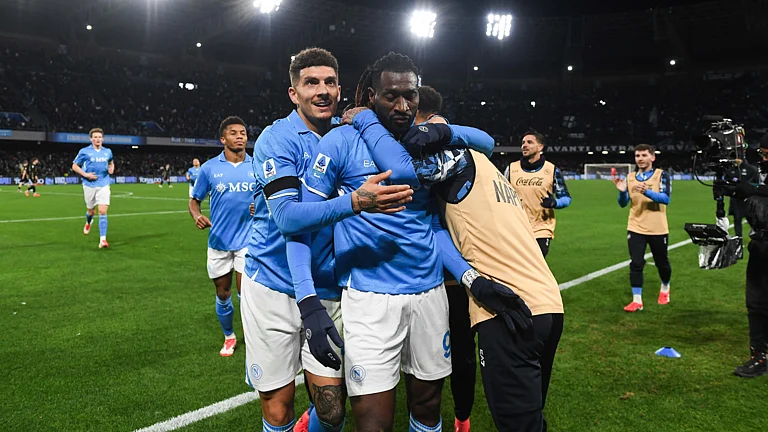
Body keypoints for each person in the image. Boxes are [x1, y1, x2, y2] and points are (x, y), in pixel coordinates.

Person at [292, 52, 493, 432]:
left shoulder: (425, 144)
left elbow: (431, 223)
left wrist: (469, 277)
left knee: (429, 406)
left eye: (410, 96)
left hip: (430, 294)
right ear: (371, 96)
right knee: (373, 422)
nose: (402, 106)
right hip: (369, 299)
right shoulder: (340, 141)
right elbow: (301, 226)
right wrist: (308, 300)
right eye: (391, 96)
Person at [346, 92, 564, 431]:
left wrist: (365, 119)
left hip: (507, 309)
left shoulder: (449, 162)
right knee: (532, 419)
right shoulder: (487, 163)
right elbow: (437, 227)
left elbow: (400, 169)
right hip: (548, 304)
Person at [242, 48, 413, 432]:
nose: (322, 91)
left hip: (330, 286)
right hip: (273, 283)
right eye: (311, 82)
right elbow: (287, 217)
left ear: (340, 89)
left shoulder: (348, 135)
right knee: (278, 407)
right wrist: (354, 202)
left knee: (333, 409)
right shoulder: (278, 138)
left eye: (330, 82)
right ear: (294, 93)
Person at [188, 117, 254, 357]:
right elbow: (195, 201)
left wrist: (260, 206)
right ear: (223, 139)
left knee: (245, 294)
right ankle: (229, 336)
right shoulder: (209, 168)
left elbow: (267, 198)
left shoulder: (256, 165)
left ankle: (254, 337)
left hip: (248, 241)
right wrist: (197, 216)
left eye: (243, 132)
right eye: (234, 133)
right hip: (218, 241)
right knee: (223, 293)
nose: (240, 136)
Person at [612, 144, 672, 312]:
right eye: (638, 155)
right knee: (636, 263)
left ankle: (665, 287)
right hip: (635, 226)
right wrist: (622, 192)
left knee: (662, 264)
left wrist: (647, 192)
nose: (640, 158)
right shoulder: (630, 177)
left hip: (657, 228)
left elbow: (666, 199)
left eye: (644, 155)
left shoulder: (662, 175)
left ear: (652, 157)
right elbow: (623, 204)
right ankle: (637, 300)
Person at [732, 134, 768, 378]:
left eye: (767, 154)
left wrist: (756, 189)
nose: (763, 159)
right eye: (762, 154)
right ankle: (760, 356)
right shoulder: (760, 173)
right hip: (761, 243)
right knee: (755, 303)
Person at [505, 132, 572, 258]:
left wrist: (555, 203)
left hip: (541, 228)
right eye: (523, 142)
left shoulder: (551, 170)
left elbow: (566, 198)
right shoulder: (511, 169)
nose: (524, 145)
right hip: (517, 226)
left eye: (529, 142)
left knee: (535, 264)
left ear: (540, 147)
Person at [71, 129, 114, 248]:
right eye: (95, 137)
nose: (97, 139)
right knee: (91, 211)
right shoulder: (84, 151)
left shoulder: (108, 151)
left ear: (102, 139)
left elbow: (111, 162)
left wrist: (111, 168)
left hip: (104, 183)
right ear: (91, 139)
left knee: (102, 211)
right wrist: (85, 175)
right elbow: (74, 166)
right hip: (89, 184)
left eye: (99, 137)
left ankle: (103, 240)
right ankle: (88, 221)